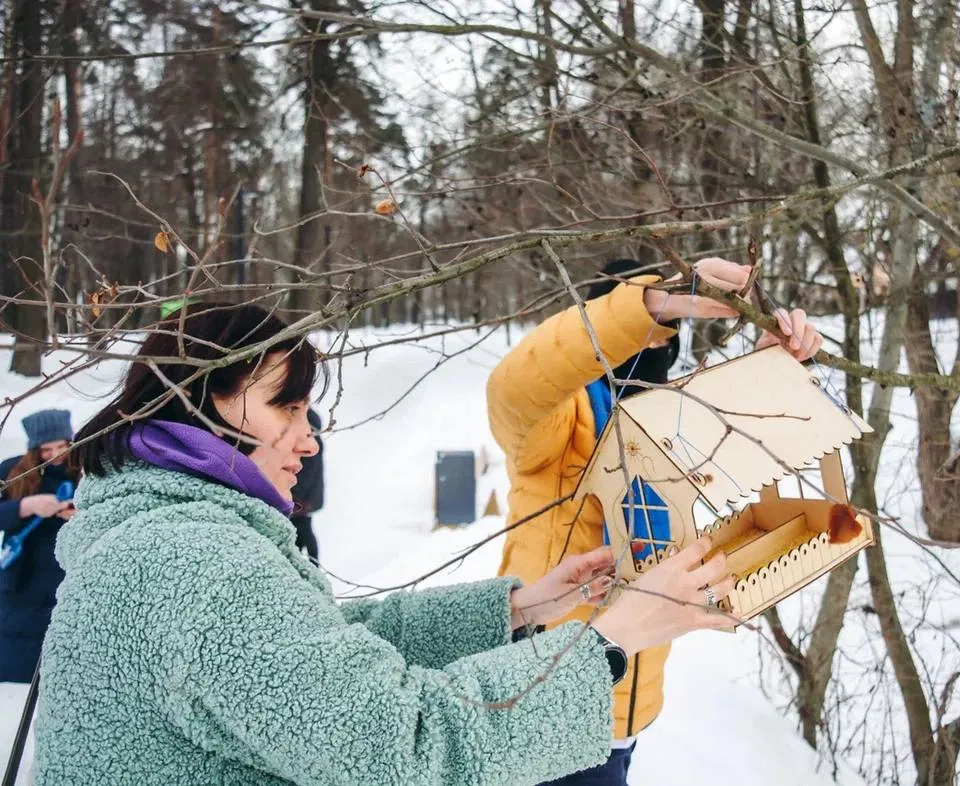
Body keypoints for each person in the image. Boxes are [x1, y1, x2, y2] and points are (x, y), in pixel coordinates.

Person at [32, 302, 736, 786]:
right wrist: (605, 644)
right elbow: (405, 746)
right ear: (196, 400)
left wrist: (521, 607)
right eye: (287, 405)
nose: (307, 438)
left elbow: (319, 645)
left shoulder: (171, 533)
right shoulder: (194, 560)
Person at [488, 256, 822, 785]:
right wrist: (651, 304)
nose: (654, 349)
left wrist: (773, 365)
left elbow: (732, 451)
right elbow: (514, 386)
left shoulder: (669, 420)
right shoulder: (558, 422)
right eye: (640, 336)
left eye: (666, 337)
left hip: (625, 711)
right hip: (538, 698)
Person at [0, 409, 79, 684]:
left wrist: (77, 514)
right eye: (47, 449)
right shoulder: (12, 471)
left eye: (62, 446)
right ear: (35, 448)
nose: (57, 454)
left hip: (68, 573)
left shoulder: (84, 471)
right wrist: (25, 506)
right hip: (22, 578)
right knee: (17, 667)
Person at [290, 408, 324, 561]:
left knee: (302, 528)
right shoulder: (315, 442)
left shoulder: (310, 445)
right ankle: (307, 562)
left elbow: (308, 472)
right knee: (302, 528)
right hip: (309, 495)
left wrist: (296, 492)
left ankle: (312, 563)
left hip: (304, 497)